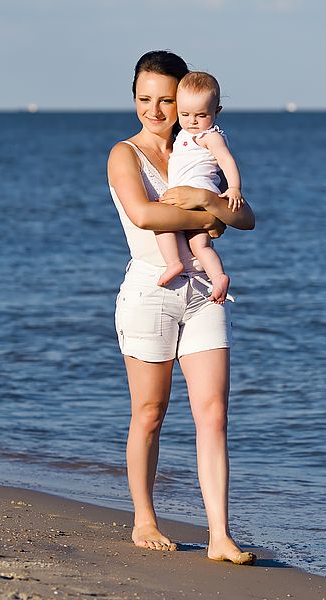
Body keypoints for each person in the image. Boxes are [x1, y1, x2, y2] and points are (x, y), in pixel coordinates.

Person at [107, 50, 256, 565]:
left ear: (187, 100)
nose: (154, 110)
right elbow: (146, 214)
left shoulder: (201, 147)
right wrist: (205, 213)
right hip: (151, 289)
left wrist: (211, 202)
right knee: (149, 412)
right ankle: (144, 519)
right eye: (143, 99)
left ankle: (219, 534)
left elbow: (246, 218)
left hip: (204, 293)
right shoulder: (124, 154)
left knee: (213, 414)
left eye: (165, 100)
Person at [155, 71, 244, 304]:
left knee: (181, 234)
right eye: (185, 114)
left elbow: (227, 161)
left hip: (197, 193)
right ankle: (196, 269)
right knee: (183, 236)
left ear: (217, 112)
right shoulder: (185, 133)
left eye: (201, 115)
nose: (192, 121)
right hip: (184, 195)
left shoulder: (209, 136)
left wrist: (234, 188)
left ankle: (201, 271)